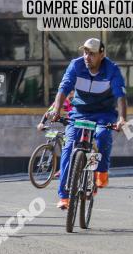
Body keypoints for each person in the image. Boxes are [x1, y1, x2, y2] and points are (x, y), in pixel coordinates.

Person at [46, 38, 127, 211]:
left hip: (103, 114)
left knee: (103, 135)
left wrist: (122, 119)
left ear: (101, 54)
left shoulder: (111, 69)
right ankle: (64, 197)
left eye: (91, 53)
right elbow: (64, 88)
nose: (87, 56)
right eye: (85, 52)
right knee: (68, 147)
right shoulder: (76, 65)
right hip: (79, 112)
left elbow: (120, 95)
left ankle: (101, 171)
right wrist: (56, 110)